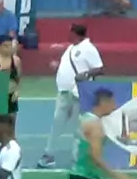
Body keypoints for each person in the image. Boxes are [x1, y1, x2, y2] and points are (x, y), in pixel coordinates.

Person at [39, 23, 103, 168]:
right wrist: (57, 67)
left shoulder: (89, 49)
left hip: (78, 94)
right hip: (63, 92)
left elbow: (99, 69)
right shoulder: (71, 47)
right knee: (57, 124)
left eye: (70, 32)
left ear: (76, 33)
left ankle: (77, 159)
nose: (68, 35)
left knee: (77, 128)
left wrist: (85, 74)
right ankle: (49, 155)